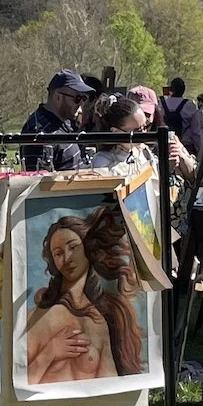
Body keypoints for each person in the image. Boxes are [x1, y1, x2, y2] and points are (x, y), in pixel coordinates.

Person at [24, 209, 144, 384]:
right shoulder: (41, 317)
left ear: (88, 248)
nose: (67, 258)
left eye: (73, 247)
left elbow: (108, 385)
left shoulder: (99, 321)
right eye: (58, 253)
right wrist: (50, 352)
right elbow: (17, 381)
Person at [21, 70, 94, 171]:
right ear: (57, 97)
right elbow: (39, 182)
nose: (81, 104)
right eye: (77, 98)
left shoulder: (63, 124)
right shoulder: (39, 133)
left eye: (84, 99)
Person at [159, 77, 203, 155]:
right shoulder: (189, 105)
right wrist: (199, 151)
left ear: (171, 89)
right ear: (183, 90)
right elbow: (196, 132)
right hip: (186, 147)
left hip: (166, 146)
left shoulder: (162, 104)